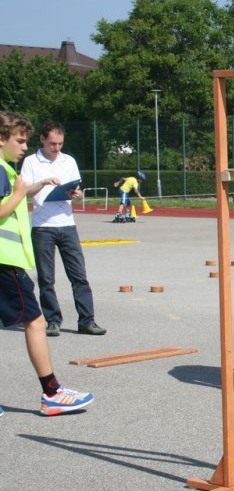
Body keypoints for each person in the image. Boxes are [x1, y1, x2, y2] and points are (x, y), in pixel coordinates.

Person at [0, 111, 94, 417]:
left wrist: (32, 186)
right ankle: (52, 393)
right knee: (36, 322)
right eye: (19, 140)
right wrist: (19, 193)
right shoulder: (3, 171)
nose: (24, 146)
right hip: (5, 262)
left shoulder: (6, 169)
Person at [21, 122, 106, 337]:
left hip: (67, 225)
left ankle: (87, 321)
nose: (56, 148)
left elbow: (78, 192)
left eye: (60, 144)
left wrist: (78, 195)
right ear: (42, 139)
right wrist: (43, 182)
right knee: (46, 278)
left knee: (79, 276)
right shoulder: (30, 161)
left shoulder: (69, 161)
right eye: (52, 143)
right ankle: (53, 321)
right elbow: (26, 192)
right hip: (42, 227)